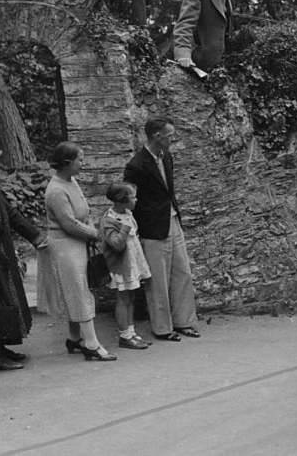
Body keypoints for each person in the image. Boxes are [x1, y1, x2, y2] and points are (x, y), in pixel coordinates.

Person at [124, 117, 200, 341]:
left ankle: (184, 321)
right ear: (157, 136)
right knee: (157, 279)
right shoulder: (136, 165)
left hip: (172, 220)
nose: (172, 139)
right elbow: (130, 199)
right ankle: (163, 328)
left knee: (182, 272)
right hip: (152, 227)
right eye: (169, 135)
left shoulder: (166, 157)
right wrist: (138, 227)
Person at [43, 142, 116, 361]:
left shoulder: (71, 181)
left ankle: (75, 339)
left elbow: (83, 211)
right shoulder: (55, 190)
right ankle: (92, 343)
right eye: (79, 160)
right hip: (65, 245)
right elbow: (69, 224)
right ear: (67, 163)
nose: (82, 164)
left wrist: (91, 227)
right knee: (78, 291)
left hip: (79, 241)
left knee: (77, 289)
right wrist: (95, 234)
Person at [0, 143, 48, 371]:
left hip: (3, 254)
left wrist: (35, 236)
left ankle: (3, 347)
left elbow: (12, 215)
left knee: (8, 300)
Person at [99, 183, 151, 350]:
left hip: (132, 263)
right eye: (133, 197)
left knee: (131, 297)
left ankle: (131, 331)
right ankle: (124, 335)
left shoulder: (128, 213)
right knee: (123, 299)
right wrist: (125, 229)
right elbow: (117, 245)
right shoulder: (109, 220)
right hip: (121, 267)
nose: (136, 200)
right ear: (123, 200)